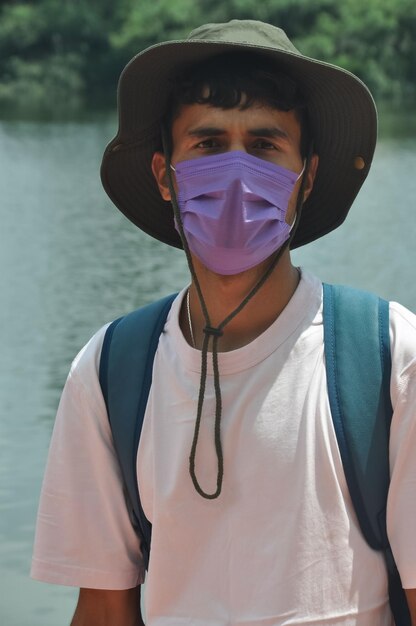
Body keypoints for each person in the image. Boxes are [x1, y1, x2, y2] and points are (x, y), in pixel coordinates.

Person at [31, 19, 416, 626]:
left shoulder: (390, 360)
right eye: (208, 145)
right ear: (165, 175)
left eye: (264, 146)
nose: (237, 173)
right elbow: (104, 608)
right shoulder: (111, 371)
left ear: (305, 178)